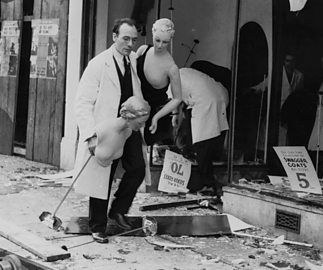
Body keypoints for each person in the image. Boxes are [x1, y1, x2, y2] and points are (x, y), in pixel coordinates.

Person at [73, 18, 144, 244]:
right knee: (102, 176)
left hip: (128, 127)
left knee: (138, 169)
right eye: (125, 38)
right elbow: (82, 102)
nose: (129, 43)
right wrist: (90, 135)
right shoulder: (98, 64)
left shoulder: (132, 61)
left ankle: (118, 210)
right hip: (105, 128)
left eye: (133, 39)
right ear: (114, 37)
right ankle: (98, 226)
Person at [174, 67, 229, 197]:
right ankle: (207, 180)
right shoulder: (185, 72)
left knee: (202, 143)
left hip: (206, 102)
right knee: (207, 138)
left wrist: (174, 115)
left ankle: (209, 185)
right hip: (219, 96)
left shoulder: (175, 77)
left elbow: (174, 101)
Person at [136, 18, 182, 146]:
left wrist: (157, 117)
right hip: (132, 108)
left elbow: (177, 99)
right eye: (157, 40)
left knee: (139, 156)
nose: (160, 45)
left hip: (151, 116)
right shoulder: (143, 50)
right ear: (152, 33)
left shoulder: (171, 67)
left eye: (165, 42)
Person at [94, 96, 150, 167]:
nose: (143, 125)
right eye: (140, 122)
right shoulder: (103, 129)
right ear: (129, 117)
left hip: (105, 174)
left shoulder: (127, 132)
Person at [308, 56, 323, 177]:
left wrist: (318, 97)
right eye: (321, 62)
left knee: (322, 144)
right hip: (319, 114)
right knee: (316, 144)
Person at [279, 53, 305, 145]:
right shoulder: (278, 72)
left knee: (288, 134)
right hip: (278, 107)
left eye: (291, 61)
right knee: (279, 133)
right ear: (283, 61)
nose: (289, 63)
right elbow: (266, 84)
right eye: (287, 61)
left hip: (292, 109)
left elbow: (299, 93)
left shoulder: (299, 75)